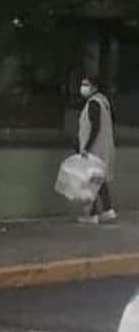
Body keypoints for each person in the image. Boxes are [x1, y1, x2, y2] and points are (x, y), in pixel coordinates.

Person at [76, 76, 117, 225]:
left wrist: (86, 147)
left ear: (94, 87)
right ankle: (108, 210)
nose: (83, 87)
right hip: (104, 147)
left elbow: (95, 127)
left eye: (86, 84)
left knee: (91, 181)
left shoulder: (93, 103)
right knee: (99, 180)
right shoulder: (104, 102)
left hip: (94, 148)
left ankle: (91, 214)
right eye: (82, 84)